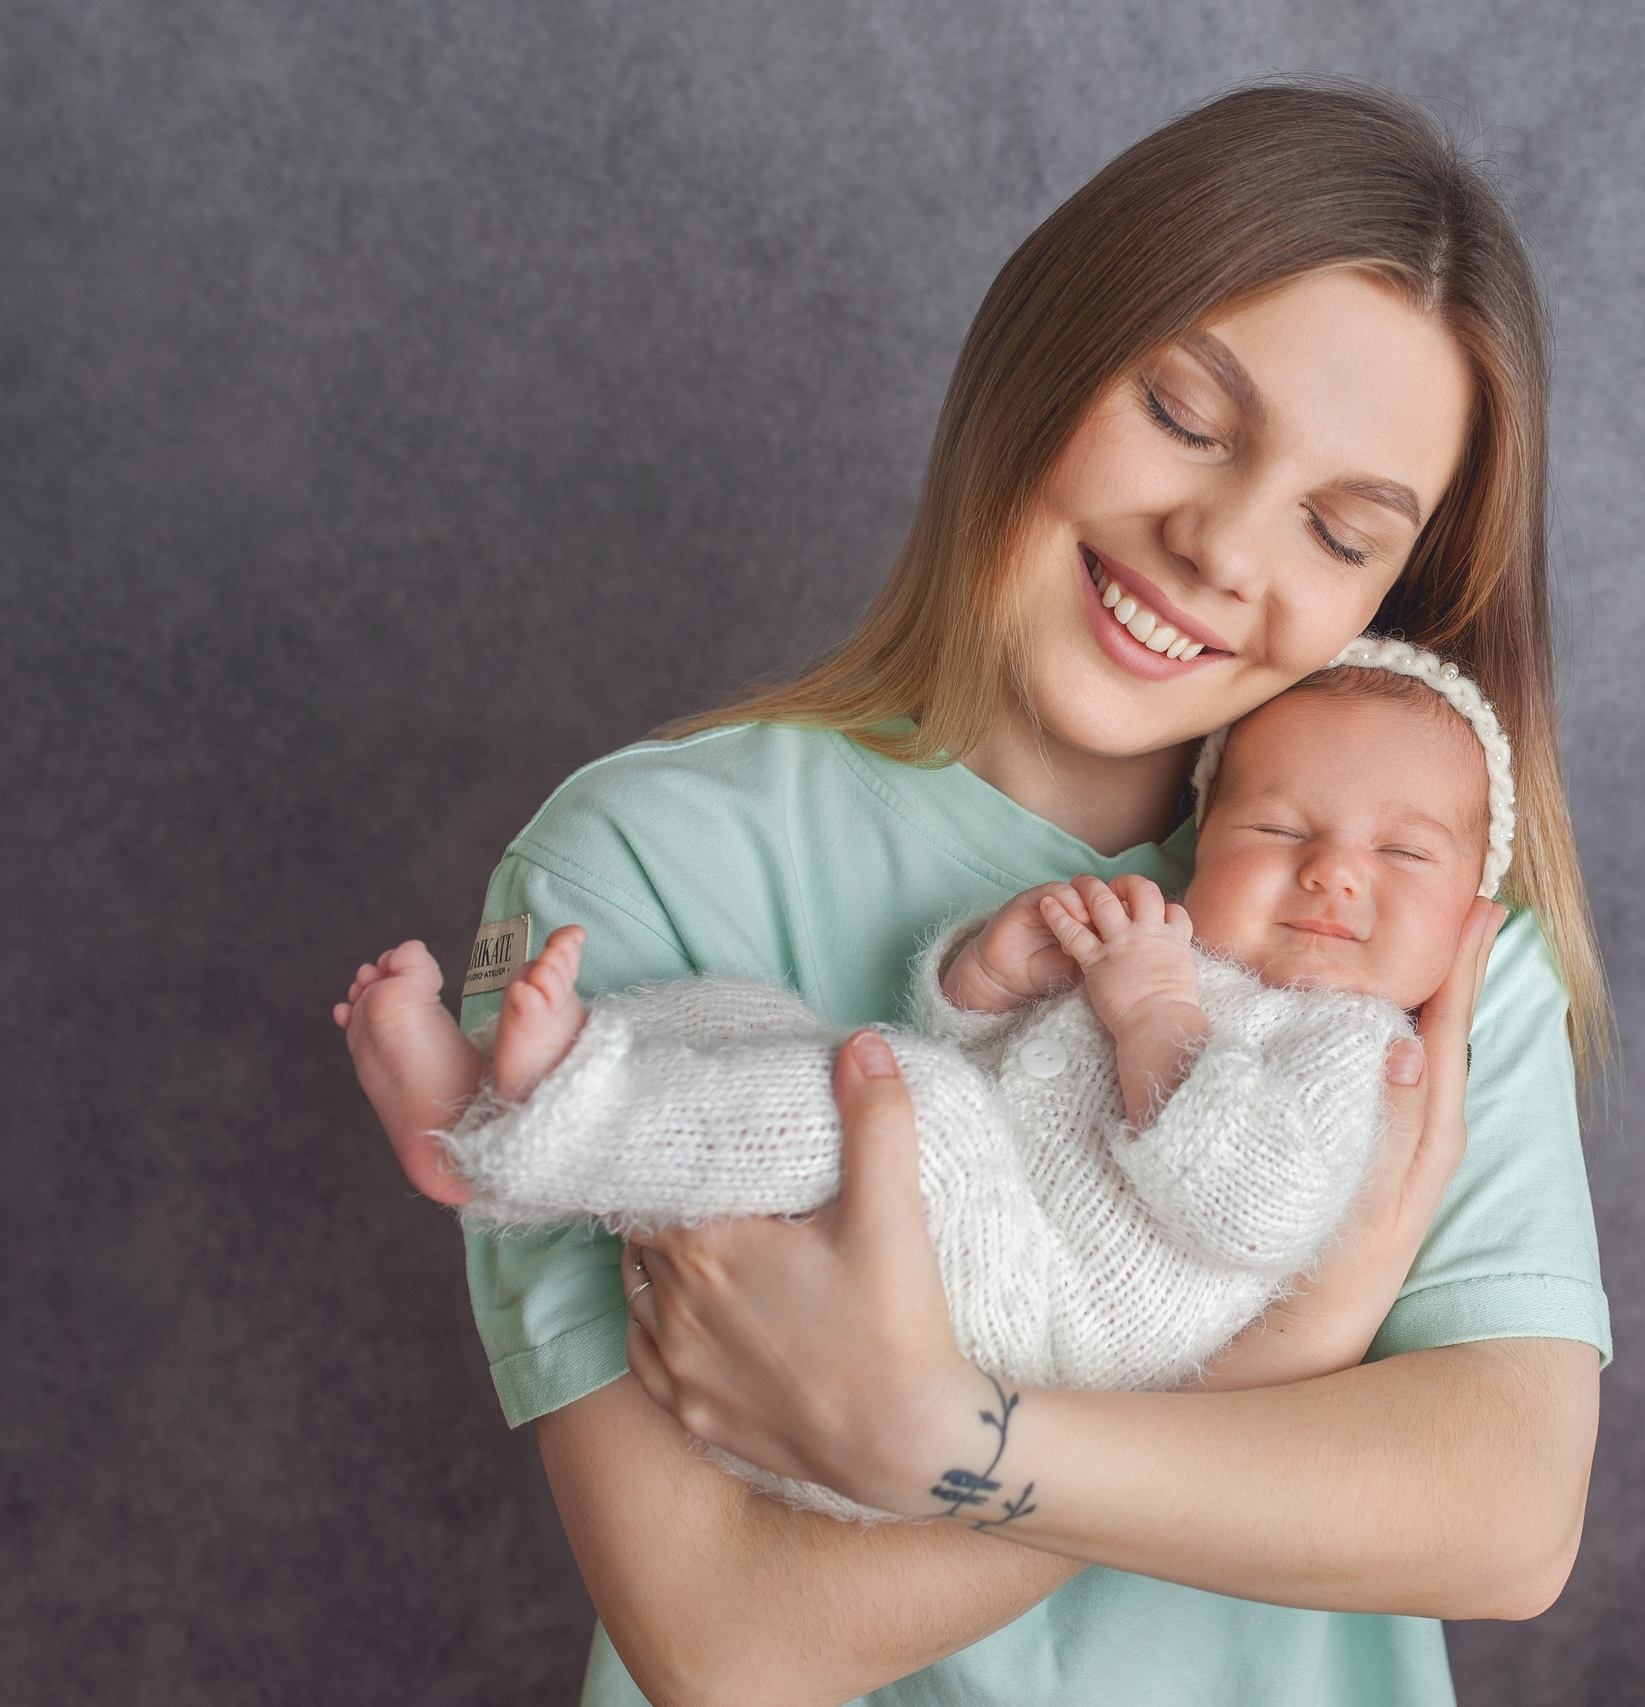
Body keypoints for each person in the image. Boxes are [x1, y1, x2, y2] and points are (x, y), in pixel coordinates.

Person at [360, 80, 1613, 1705]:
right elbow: (730, 1636)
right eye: (1185, 414)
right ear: (1042, 350)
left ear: (1392, 592)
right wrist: (1290, 1351)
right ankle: (515, 1122)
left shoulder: (1399, 938)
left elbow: (1506, 1515)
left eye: (1339, 528)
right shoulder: (648, 859)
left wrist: (938, 1438)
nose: (1225, 546)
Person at [338, 643, 1515, 1525]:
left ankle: (511, 1140)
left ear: (1471, 909)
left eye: (1402, 852)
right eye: (1279, 830)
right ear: (1203, 841)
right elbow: (981, 1056)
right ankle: (519, 1095)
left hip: (1027, 1359)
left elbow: (1255, 1209)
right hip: (833, 1339)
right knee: (769, 1026)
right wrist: (987, 977)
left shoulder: (1354, 1049)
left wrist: (1154, 1012)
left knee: (907, 1107)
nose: (1333, 876)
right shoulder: (1164, 944)